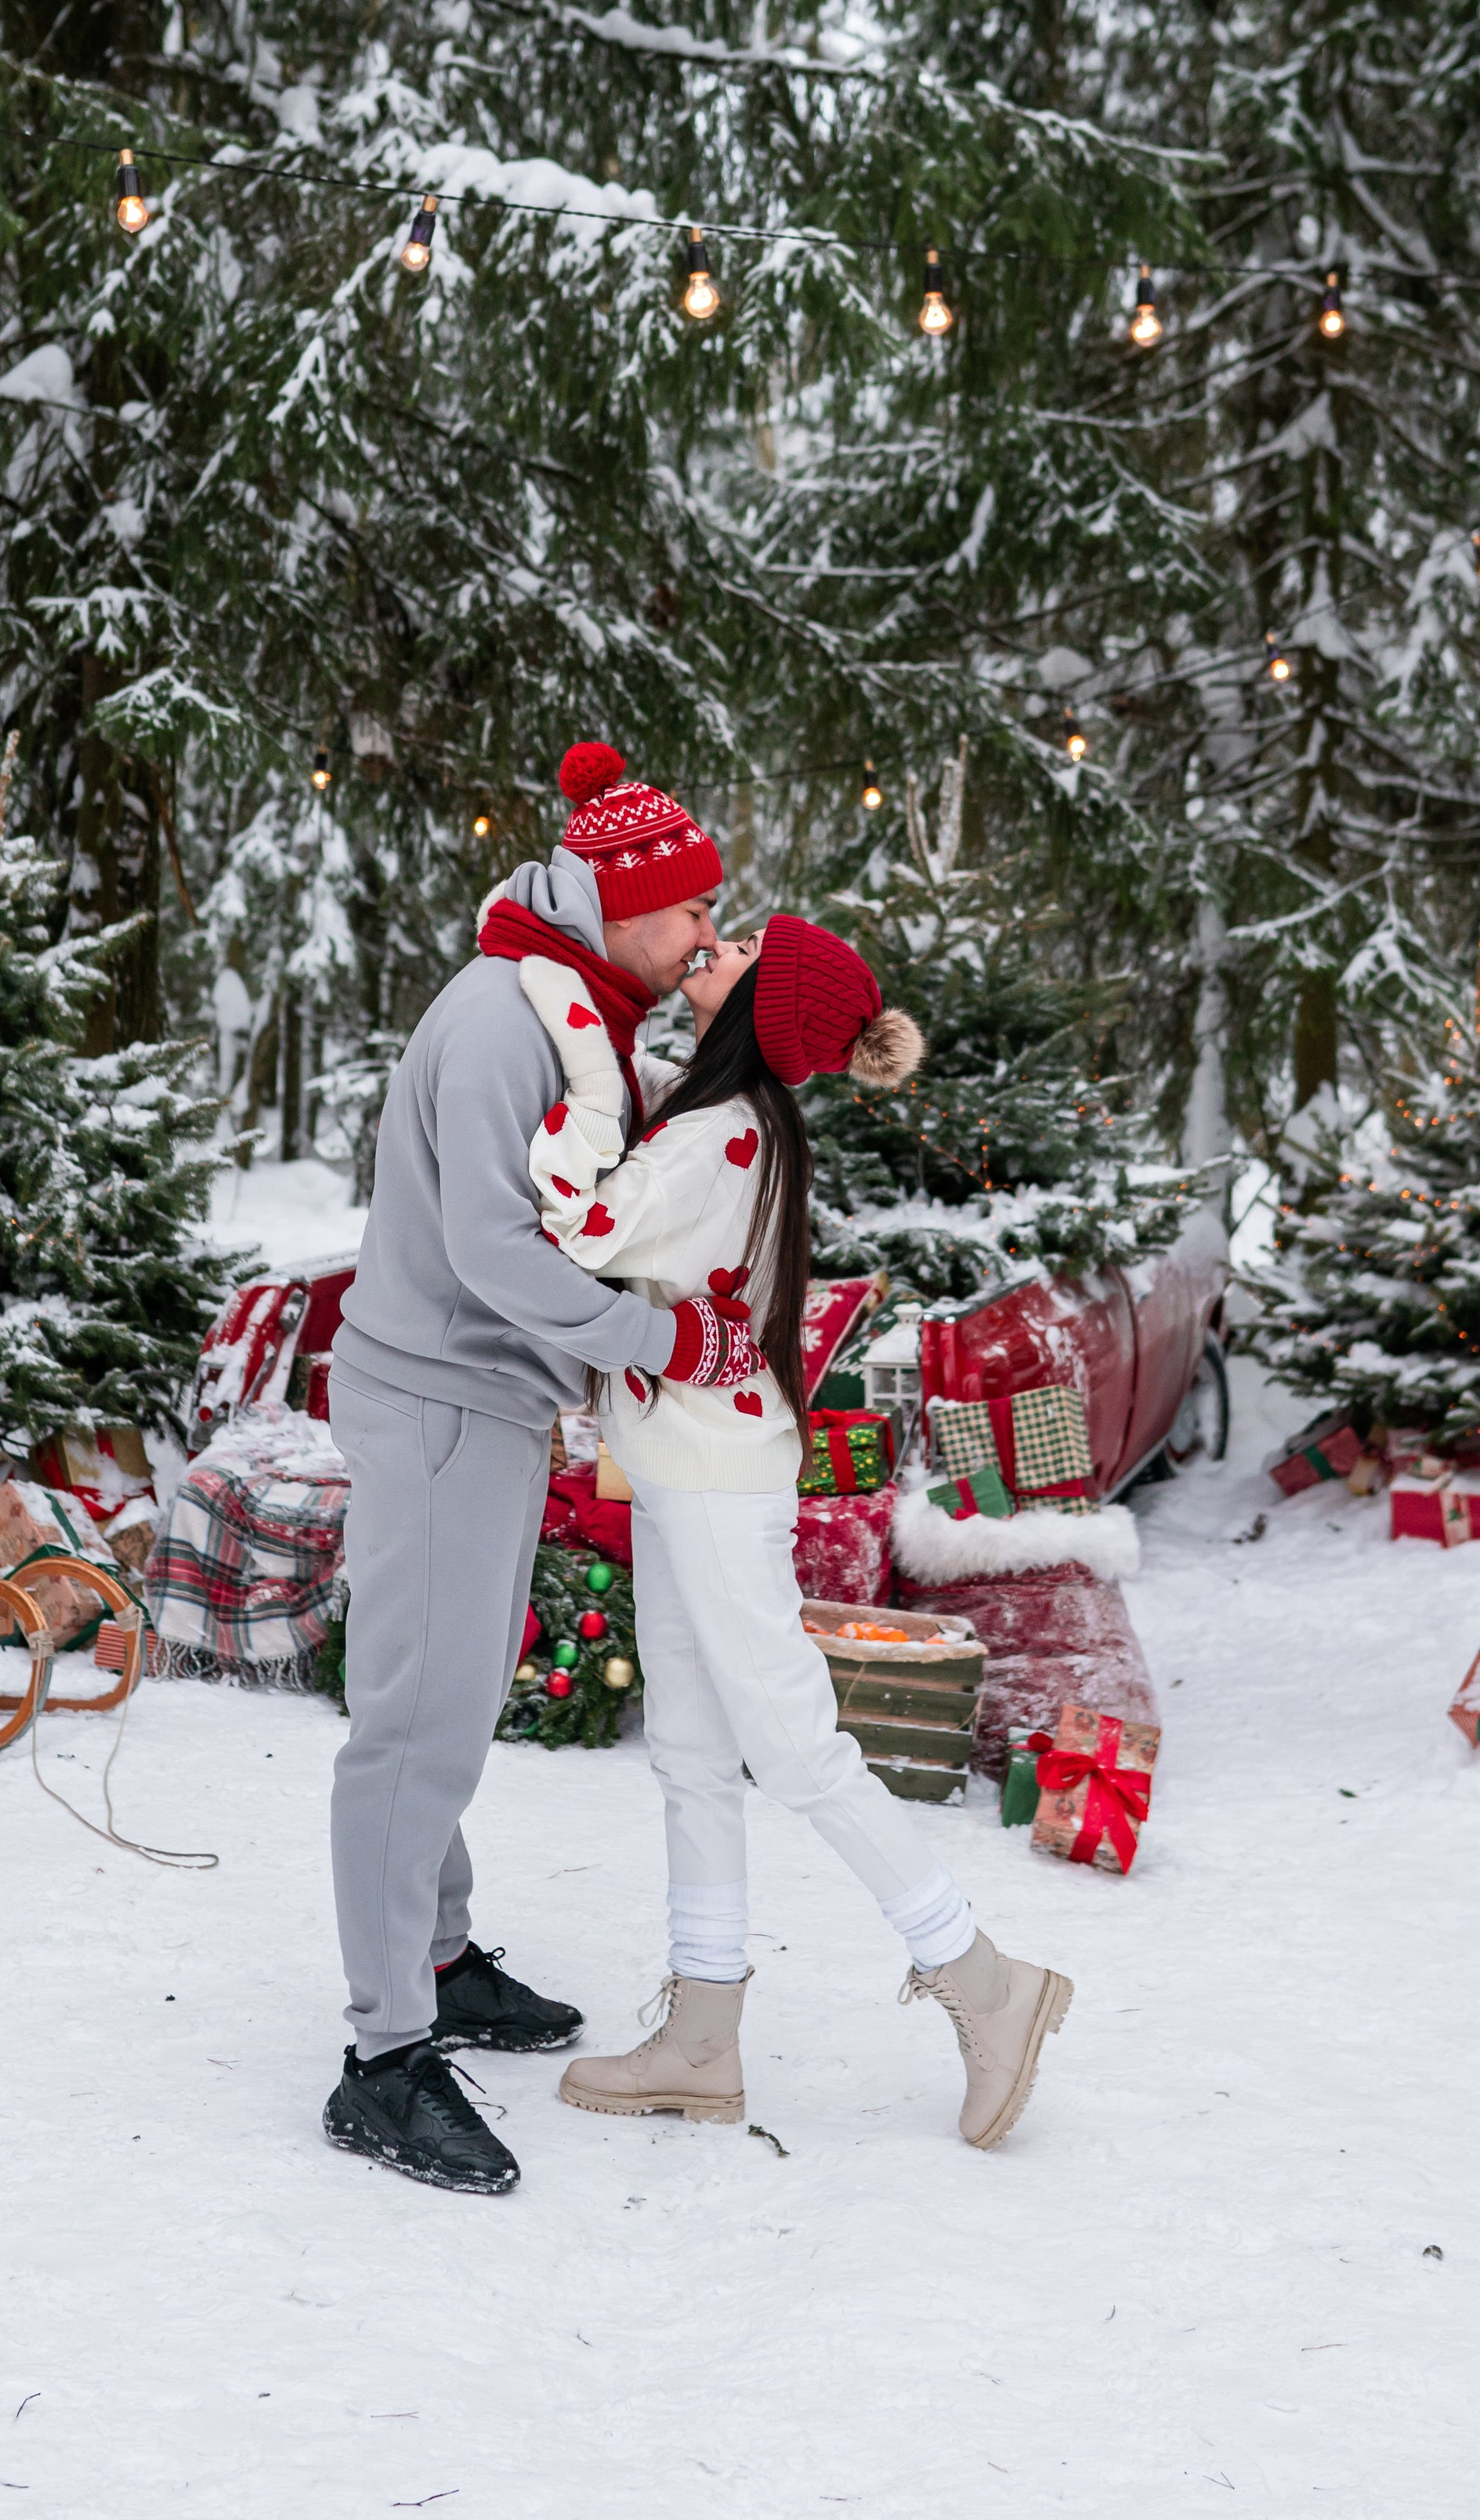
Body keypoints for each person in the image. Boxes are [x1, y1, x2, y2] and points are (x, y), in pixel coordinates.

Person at [523, 914, 1074, 2151]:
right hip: (678, 1465)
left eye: (726, 953)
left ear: (760, 1006)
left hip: (712, 1478)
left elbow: (582, 1221)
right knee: (688, 1745)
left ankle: (985, 1982)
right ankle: (704, 2033)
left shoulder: (723, 1130)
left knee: (793, 1741)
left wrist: (582, 1056)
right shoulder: (728, 1120)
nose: (700, 957)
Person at [321, 743, 768, 2196]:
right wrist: (654, 1340)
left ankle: (436, 1962)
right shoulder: (506, 1025)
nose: (707, 935)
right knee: (413, 1728)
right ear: (625, 909)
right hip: (443, 1399)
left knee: (448, 1703)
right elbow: (491, 1250)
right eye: (691, 913)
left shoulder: (565, 1003)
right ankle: (384, 2059)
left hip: (485, 1402)